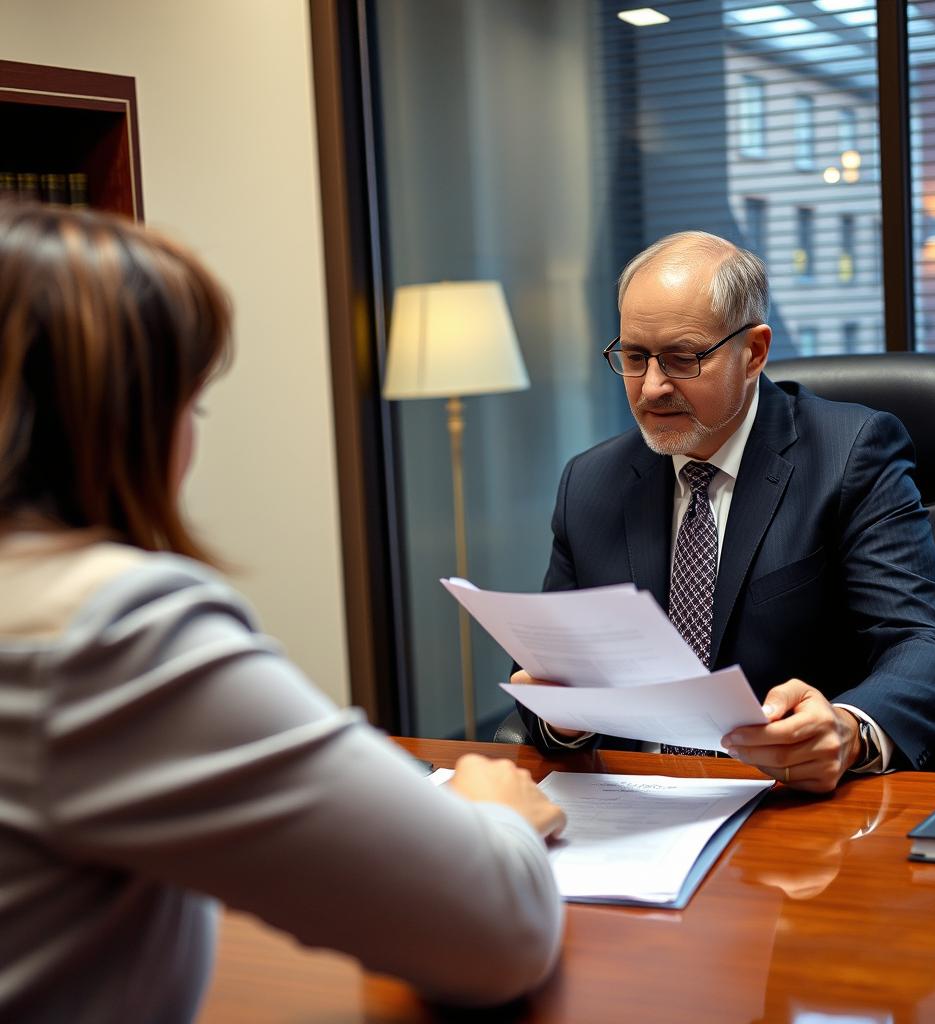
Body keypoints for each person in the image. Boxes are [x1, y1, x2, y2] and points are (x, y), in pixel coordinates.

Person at [0, 203, 566, 1023]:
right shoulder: (112, 632)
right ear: (126, 418)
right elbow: (497, 934)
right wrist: (496, 817)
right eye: (189, 406)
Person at [513, 230, 935, 793]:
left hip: (788, 804)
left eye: (682, 358)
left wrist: (847, 729)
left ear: (753, 352)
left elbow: (928, 647)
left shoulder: (850, 453)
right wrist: (562, 720)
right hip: (631, 807)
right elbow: (548, 669)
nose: (652, 388)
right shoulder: (591, 483)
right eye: (634, 357)